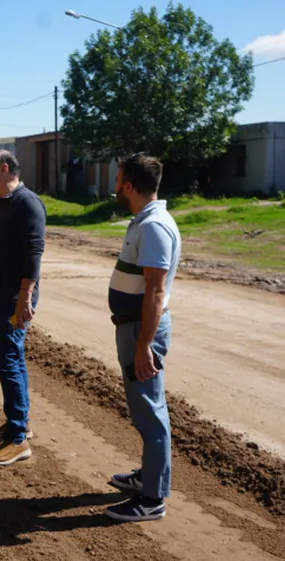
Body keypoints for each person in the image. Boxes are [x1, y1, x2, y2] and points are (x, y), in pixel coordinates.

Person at [103, 153, 181, 522]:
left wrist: (144, 345)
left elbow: (155, 291)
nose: (116, 187)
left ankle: (152, 499)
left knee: (150, 413)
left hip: (141, 329)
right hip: (133, 326)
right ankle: (147, 479)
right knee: (144, 409)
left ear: (129, 186)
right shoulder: (146, 220)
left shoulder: (154, 227)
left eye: (119, 181)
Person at [0, 149, 47, 467]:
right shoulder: (4, 203)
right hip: (0, 296)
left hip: (12, 298)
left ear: (5, 169)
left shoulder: (27, 203)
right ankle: (19, 424)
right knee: (12, 358)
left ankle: (17, 440)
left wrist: (25, 296)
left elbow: (34, 252)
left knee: (5, 360)